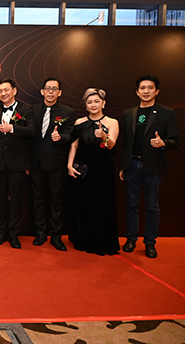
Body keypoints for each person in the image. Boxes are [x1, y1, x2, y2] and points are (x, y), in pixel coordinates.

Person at [120, 75, 179, 259]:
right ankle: (131, 239)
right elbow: (126, 144)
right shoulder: (128, 113)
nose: (146, 91)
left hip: (153, 166)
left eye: (150, 88)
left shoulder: (167, 113)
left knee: (152, 206)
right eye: (142, 88)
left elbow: (175, 141)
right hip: (132, 165)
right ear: (137, 92)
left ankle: (150, 242)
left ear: (157, 91)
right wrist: (123, 166)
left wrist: (163, 143)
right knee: (131, 204)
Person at [67, 88, 120, 256]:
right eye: (89, 102)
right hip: (82, 168)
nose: (93, 105)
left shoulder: (112, 122)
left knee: (101, 204)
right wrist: (69, 165)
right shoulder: (79, 122)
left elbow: (111, 145)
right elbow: (74, 145)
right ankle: (82, 239)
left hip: (102, 168)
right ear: (85, 105)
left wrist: (104, 136)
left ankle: (100, 242)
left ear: (103, 103)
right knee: (83, 203)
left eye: (96, 101)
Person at [0, 78, 35, 249]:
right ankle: (0, 234)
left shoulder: (27, 109)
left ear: (14, 91)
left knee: (16, 201)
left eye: (6, 90)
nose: (3, 93)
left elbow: (31, 131)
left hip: (18, 163)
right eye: (0, 91)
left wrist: (13, 128)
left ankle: (13, 235)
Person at [30, 78, 75, 251]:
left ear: (59, 92)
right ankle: (40, 233)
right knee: (38, 199)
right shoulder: (33, 110)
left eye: (54, 89)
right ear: (42, 91)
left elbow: (70, 135)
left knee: (56, 201)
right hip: (36, 163)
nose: (50, 91)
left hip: (56, 164)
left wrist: (60, 137)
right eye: (48, 88)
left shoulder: (67, 112)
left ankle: (56, 236)